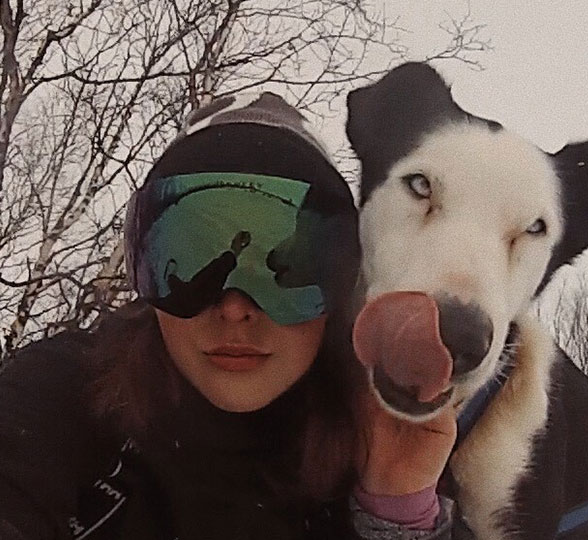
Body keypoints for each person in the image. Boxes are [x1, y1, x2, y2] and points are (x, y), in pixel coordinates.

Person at [0, 93, 456, 539]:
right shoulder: (66, 394)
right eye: (194, 257)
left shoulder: (378, 451)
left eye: (284, 268)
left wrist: (396, 509)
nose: (235, 309)